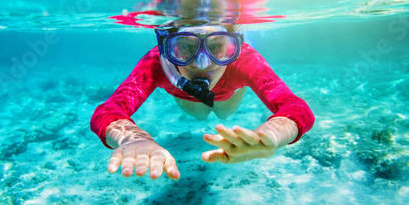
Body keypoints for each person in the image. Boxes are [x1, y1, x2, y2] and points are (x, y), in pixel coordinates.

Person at [90, 23, 315, 180]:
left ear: (232, 44)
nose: (202, 62)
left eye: (216, 45)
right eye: (186, 45)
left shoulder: (244, 59)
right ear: (167, 46)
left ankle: (228, 90)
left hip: (229, 93)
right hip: (182, 93)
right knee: (199, 114)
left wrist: (276, 132)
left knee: (224, 114)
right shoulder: (157, 63)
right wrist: (132, 139)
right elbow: (109, 110)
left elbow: (295, 107)